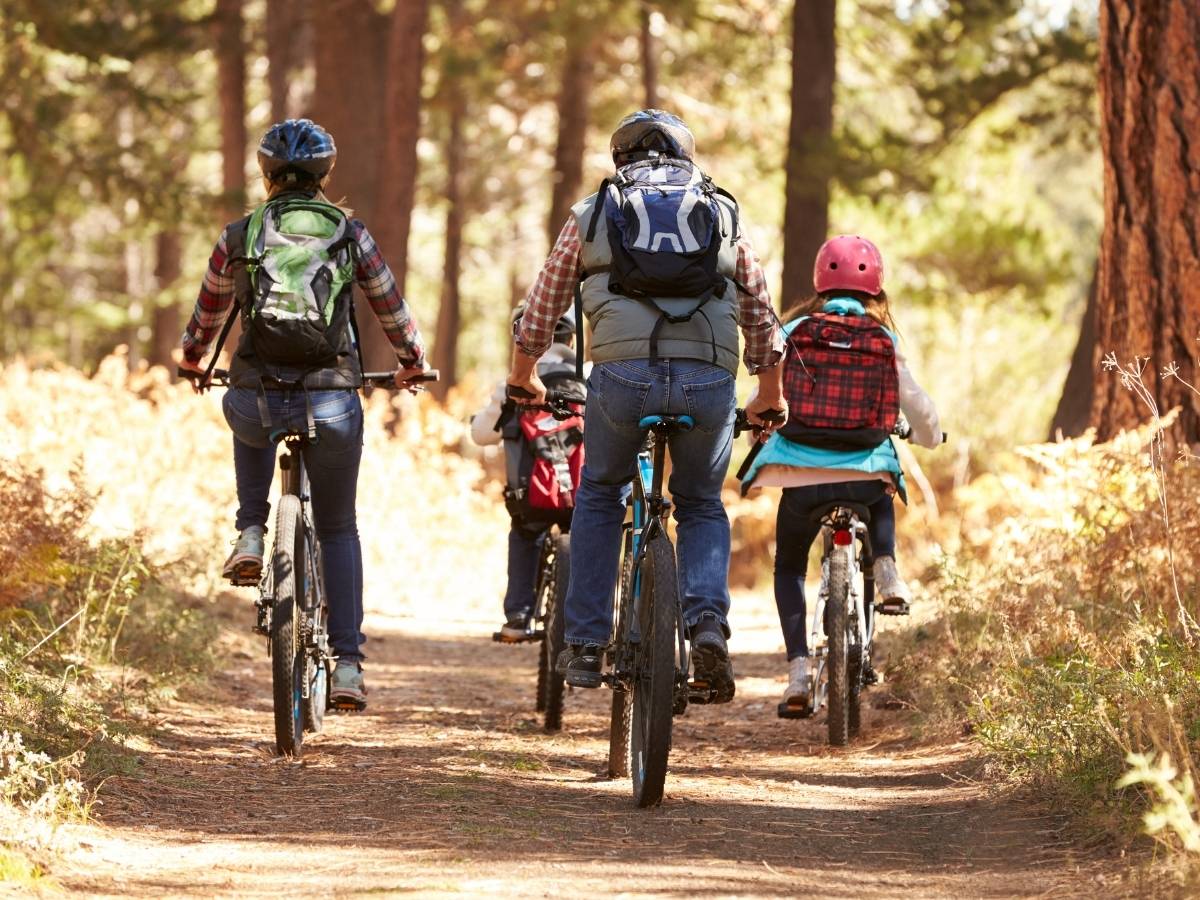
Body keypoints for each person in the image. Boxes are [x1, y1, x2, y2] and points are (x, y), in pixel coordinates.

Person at [506, 109, 786, 701]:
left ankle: (585, 643)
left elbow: (543, 305)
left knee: (601, 493)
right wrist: (769, 391)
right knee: (701, 503)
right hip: (708, 378)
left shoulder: (594, 211)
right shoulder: (723, 211)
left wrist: (523, 376)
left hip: (621, 376)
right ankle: (706, 625)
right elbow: (759, 308)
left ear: (620, 158)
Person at [178, 119, 428, 710]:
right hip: (332, 395)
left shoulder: (240, 235)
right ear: (324, 175)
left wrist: (192, 359)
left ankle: (251, 530)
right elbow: (390, 307)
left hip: (256, 393)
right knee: (338, 527)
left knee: (250, 415)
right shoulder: (350, 234)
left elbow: (208, 313)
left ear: (266, 174)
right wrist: (412, 362)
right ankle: (348, 666)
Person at [739, 235, 941, 714]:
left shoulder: (795, 330)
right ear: (876, 288)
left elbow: (765, 397)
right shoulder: (883, 338)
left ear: (819, 283)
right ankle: (886, 570)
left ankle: (797, 673)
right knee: (882, 490)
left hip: (801, 475)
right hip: (862, 472)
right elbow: (917, 406)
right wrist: (930, 437)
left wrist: (754, 432)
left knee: (790, 567)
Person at [470, 307, 585, 641]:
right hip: (584, 494)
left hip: (531, 497)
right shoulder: (588, 377)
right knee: (591, 537)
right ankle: (588, 624)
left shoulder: (513, 384)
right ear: (571, 340)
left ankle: (519, 617)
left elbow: (481, 435)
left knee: (525, 532)